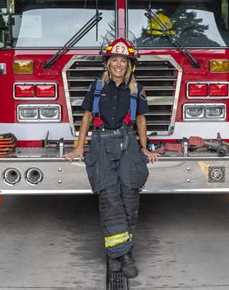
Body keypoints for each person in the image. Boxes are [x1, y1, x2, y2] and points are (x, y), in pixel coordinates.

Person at [64, 38, 159, 278]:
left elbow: (141, 121)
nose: (118, 64)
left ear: (129, 65)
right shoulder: (96, 88)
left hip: (128, 145)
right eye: (114, 60)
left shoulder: (137, 91)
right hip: (100, 146)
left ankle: (117, 253)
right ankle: (123, 256)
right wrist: (78, 147)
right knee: (110, 201)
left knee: (129, 199)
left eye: (123, 61)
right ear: (108, 64)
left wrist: (145, 148)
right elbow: (86, 118)